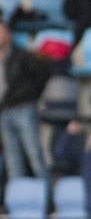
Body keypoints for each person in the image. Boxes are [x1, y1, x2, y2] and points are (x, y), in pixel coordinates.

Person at [0, 22, 52, 205]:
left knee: (34, 155)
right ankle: (18, 203)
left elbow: (43, 73)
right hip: (4, 112)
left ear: (8, 34)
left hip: (23, 108)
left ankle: (47, 201)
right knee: (13, 159)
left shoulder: (21, 56)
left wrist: (31, 95)